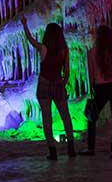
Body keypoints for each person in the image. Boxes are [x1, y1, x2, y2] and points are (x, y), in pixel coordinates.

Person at [21, 16, 75, 160]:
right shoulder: (64, 50)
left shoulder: (43, 48)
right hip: (57, 85)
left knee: (47, 118)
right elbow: (67, 73)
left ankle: (52, 151)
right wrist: (62, 83)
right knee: (65, 116)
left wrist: (25, 24)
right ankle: (71, 148)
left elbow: (30, 39)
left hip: (44, 86)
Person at [79, 24, 112, 159]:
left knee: (92, 117)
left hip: (101, 87)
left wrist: (93, 87)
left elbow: (91, 75)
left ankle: (91, 148)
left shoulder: (92, 52)